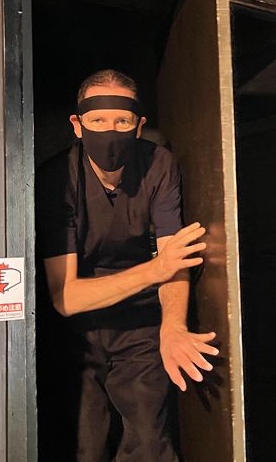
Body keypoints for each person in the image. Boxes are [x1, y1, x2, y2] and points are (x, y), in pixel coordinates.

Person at [35, 69, 218, 461]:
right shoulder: (57, 178)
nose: (110, 131)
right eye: (97, 120)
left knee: (150, 441)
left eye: (122, 121)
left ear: (138, 125)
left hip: (139, 318)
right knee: (83, 444)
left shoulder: (158, 164)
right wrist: (155, 269)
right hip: (77, 328)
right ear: (77, 125)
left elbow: (175, 257)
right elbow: (66, 298)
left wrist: (173, 327)